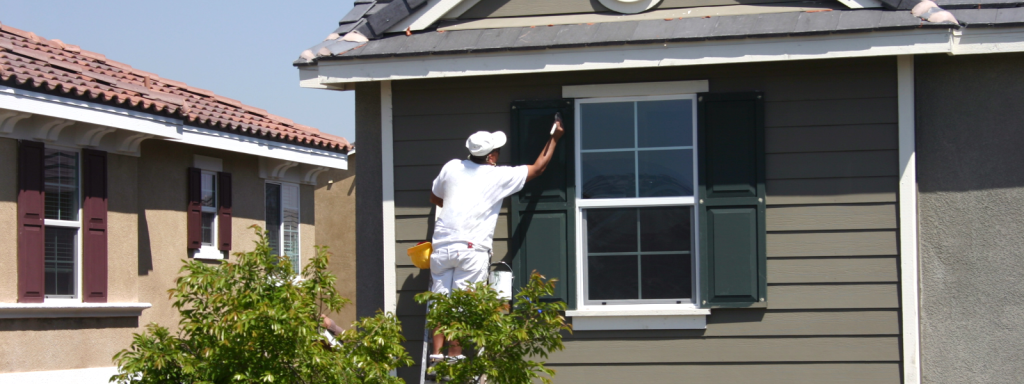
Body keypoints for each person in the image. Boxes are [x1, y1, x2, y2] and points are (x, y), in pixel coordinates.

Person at [427, 115, 565, 362]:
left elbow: (436, 198)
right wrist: (554, 138)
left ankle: (436, 355)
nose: (499, 155)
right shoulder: (496, 176)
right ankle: (454, 354)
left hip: (441, 247)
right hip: (470, 250)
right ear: (490, 156)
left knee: (440, 303)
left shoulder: (451, 167)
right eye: (497, 151)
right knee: (461, 304)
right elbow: (538, 168)